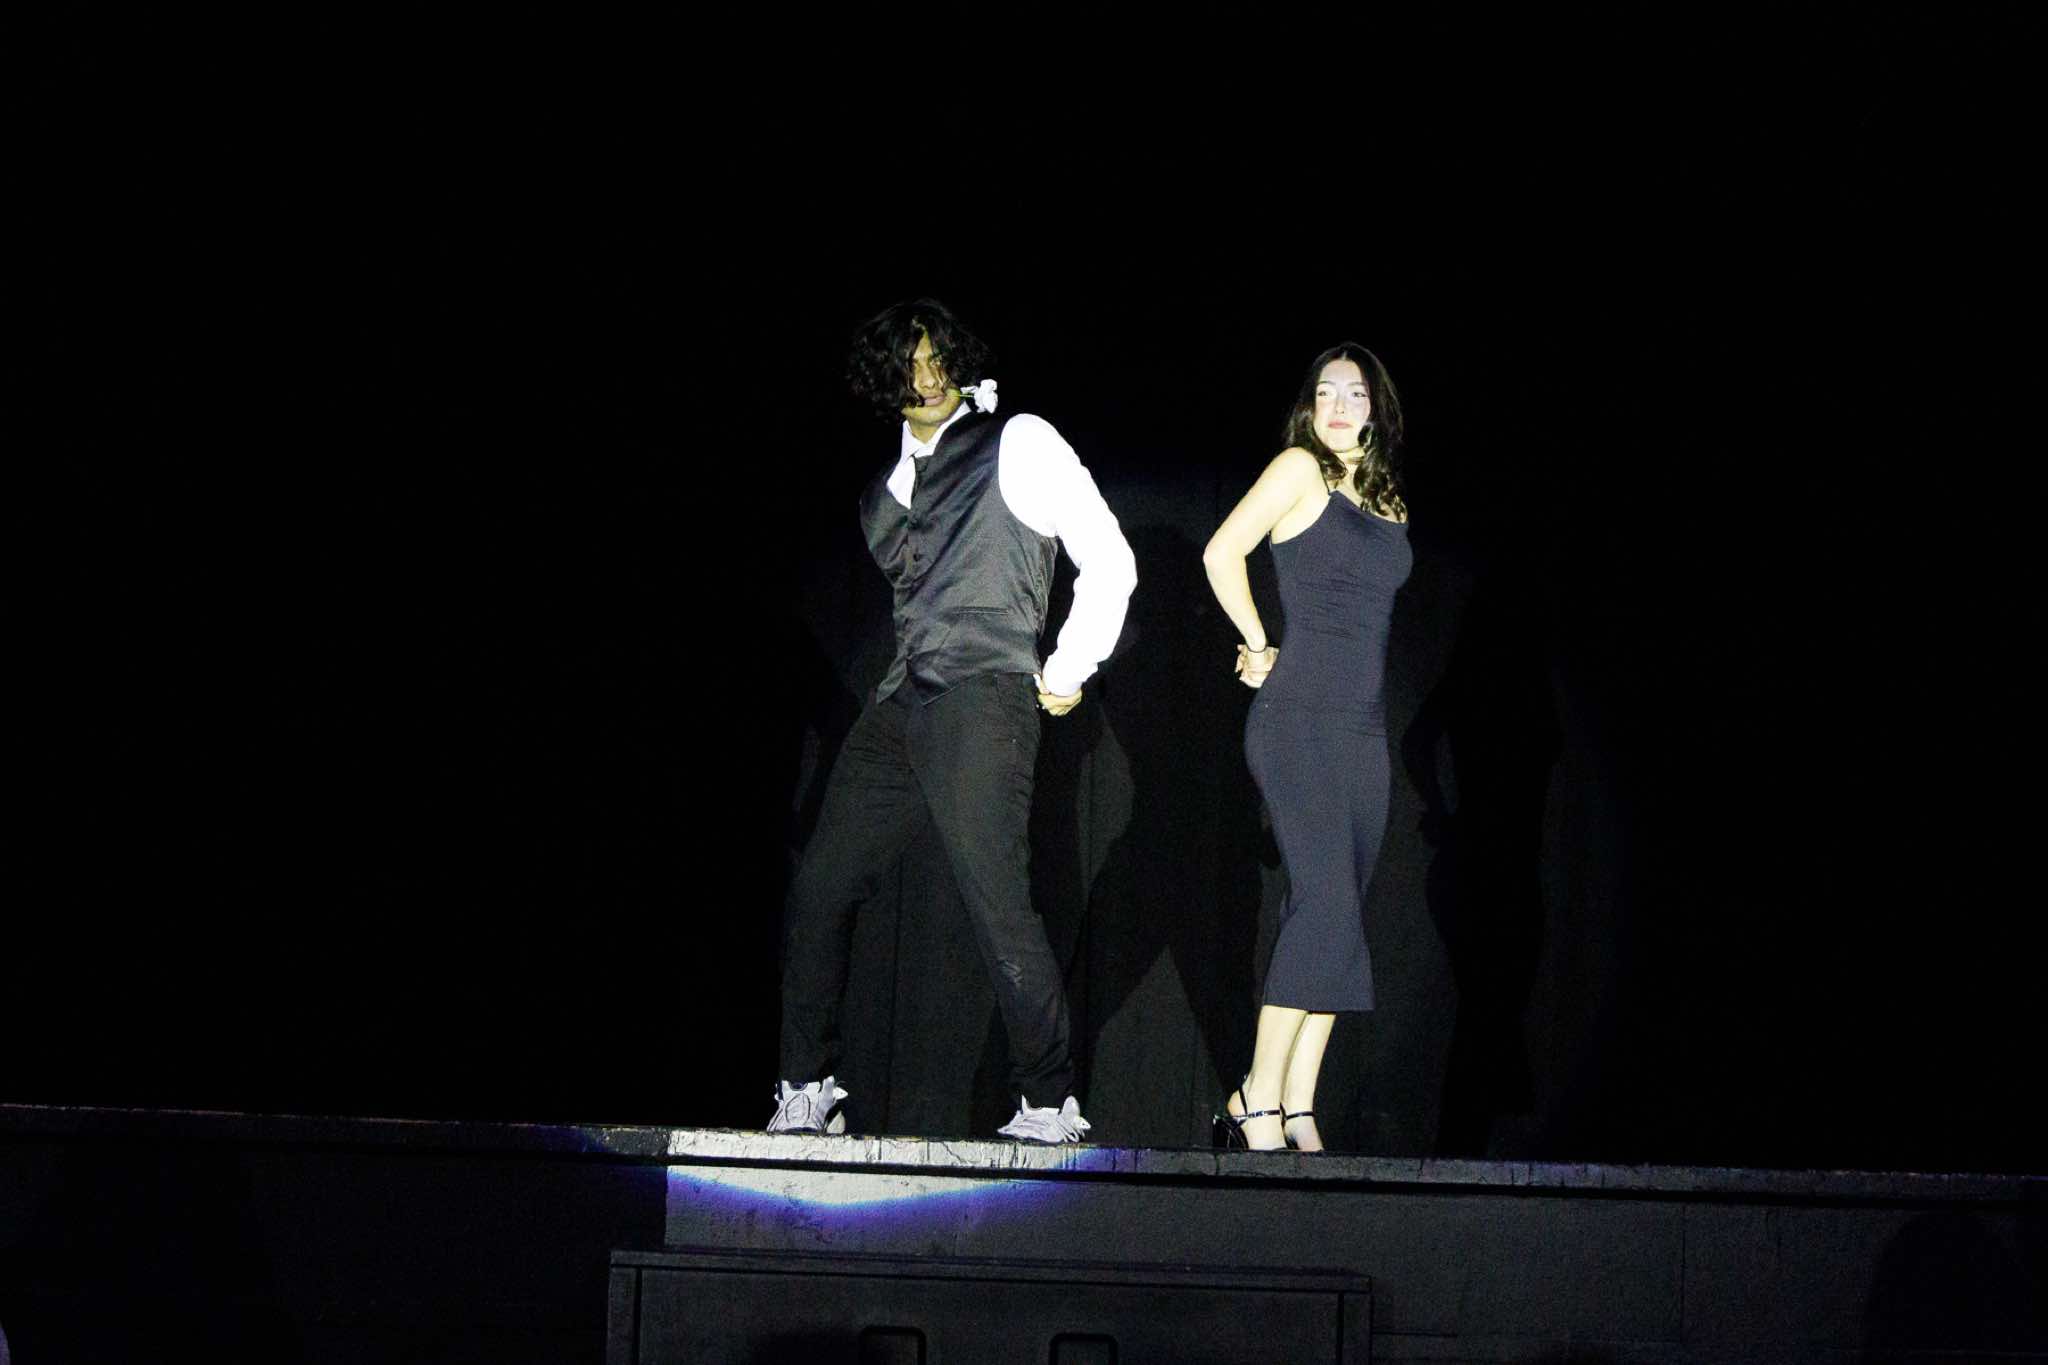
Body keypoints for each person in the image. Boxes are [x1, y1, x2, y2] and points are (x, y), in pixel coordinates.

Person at [770, 299, 1136, 1143]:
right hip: (906, 694)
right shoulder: (886, 491)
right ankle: (805, 1086)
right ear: (884, 381)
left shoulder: (1019, 440)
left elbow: (1110, 560)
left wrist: (1068, 666)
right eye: (908, 365)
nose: (927, 377)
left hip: (983, 690)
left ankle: (1047, 1100)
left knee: (996, 900)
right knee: (821, 885)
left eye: (937, 359)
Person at [1200, 343, 1412, 1151]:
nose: (1339, 406)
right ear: (1309, 406)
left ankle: (1297, 1105)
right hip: (1297, 721)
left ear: (1377, 408)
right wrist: (1259, 642)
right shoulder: (1299, 470)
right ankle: (1254, 1096)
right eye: (1326, 392)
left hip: (1364, 735)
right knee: (1326, 905)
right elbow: (1222, 550)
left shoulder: (1390, 497)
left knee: (1339, 916)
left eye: (1355, 393)